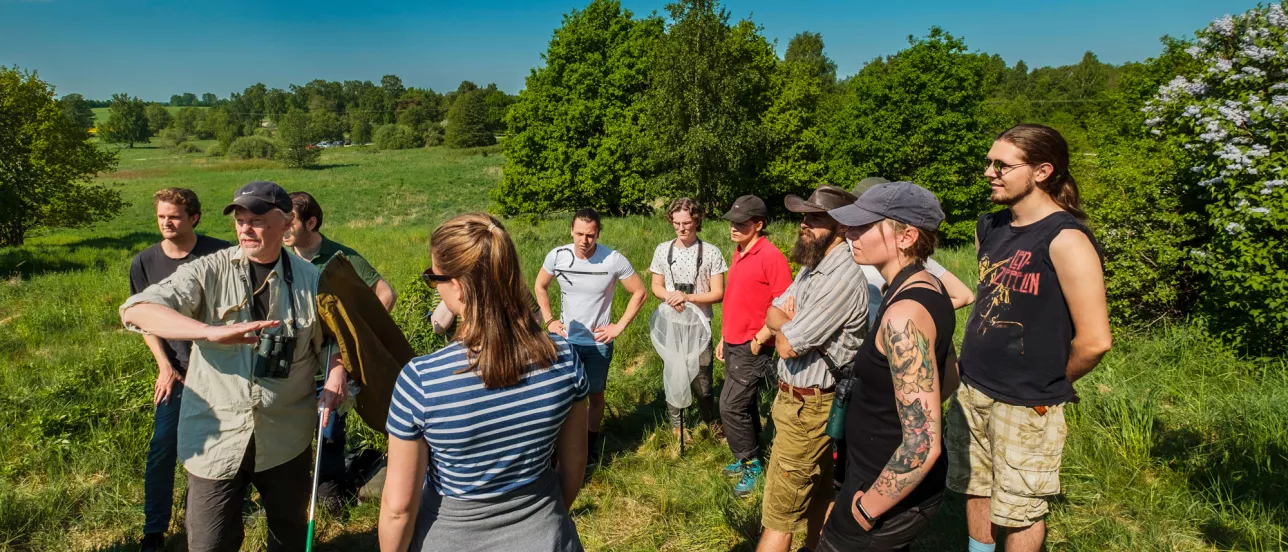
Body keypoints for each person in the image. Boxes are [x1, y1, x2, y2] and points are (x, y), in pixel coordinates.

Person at [120, 180, 346, 552]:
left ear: (287, 222)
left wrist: (336, 371)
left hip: (286, 436)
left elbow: (334, 340)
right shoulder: (209, 270)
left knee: (288, 536)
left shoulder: (313, 281)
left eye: (256, 219)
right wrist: (208, 332)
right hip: (217, 436)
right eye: (240, 219)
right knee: (209, 543)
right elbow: (137, 310)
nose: (245, 228)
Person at [947, 124, 1112, 552]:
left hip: (1027, 401)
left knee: (1020, 508)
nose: (989, 172)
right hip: (973, 388)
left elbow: (1094, 341)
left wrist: (1049, 384)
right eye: (988, 162)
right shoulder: (990, 226)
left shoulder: (1065, 239)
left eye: (1001, 164)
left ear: (1042, 171)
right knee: (976, 487)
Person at [379, 213, 588, 552]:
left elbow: (398, 509)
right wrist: (541, 521)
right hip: (547, 535)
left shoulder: (421, 381)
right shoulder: (565, 359)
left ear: (458, 286)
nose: (434, 284)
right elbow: (575, 463)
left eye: (434, 277)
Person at [817, 182, 959, 551]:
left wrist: (866, 509)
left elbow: (922, 444)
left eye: (864, 226)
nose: (850, 234)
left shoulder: (903, 315)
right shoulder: (927, 288)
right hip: (877, 472)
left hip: (883, 489)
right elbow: (951, 375)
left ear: (907, 236)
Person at [758, 186, 869, 552]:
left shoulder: (842, 276)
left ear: (840, 225)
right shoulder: (812, 268)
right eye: (803, 217)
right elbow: (773, 312)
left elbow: (788, 345)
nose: (804, 224)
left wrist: (785, 324)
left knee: (779, 516)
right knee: (820, 493)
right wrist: (785, 320)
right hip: (801, 404)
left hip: (811, 408)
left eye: (815, 218)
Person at [129, 188, 230, 552]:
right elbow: (145, 320)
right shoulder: (144, 262)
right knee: (162, 448)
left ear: (194, 218)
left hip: (219, 370)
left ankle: (199, 520)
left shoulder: (220, 253)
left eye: (174, 216)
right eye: (161, 217)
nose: (166, 223)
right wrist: (165, 368)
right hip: (178, 373)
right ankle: (153, 530)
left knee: (212, 450)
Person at [284, 190, 397, 512]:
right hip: (293, 360)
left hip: (330, 359)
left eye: (289, 221)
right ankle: (294, 494)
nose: (283, 228)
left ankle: (331, 494)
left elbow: (385, 292)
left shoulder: (337, 258)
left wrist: (359, 337)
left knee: (329, 427)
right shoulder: (281, 259)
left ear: (311, 222)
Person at [534, 208, 648, 468]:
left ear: (598, 233)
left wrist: (618, 326)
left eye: (591, 235)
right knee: (561, 395)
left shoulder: (613, 259)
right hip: (566, 341)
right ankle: (556, 448)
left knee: (595, 396)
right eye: (579, 234)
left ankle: (589, 445)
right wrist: (550, 319)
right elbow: (540, 286)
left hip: (598, 343)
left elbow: (639, 292)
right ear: (571, 231)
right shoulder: (557, 256)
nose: (584, 241)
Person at [714, 195, 792, 497]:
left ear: (759, 224)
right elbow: (737, 299)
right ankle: (748, 454)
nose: (733, 227)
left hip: (753, 345)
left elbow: (784, 305)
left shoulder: (771, 257)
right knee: (743, 403)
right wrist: (723, 336)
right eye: (732, 222)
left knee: (730, 405)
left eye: (741, 223)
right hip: (733, 340)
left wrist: (761, 338)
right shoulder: (739, 251)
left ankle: (750, 464)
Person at [648, 198, 727, 439]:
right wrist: (670, 296)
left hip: (700, 325)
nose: (681, 228)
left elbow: (718, 293)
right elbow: (656, 286)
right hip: (672, 324)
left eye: (686, 223)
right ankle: (678, 426)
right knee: (674, 373)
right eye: (676, 223)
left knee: (703, 380)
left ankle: (708, 418)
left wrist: (688, 298)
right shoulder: (663, 250)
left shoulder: (711, 252)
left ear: (697, 220)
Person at [851, 177, 974, 321]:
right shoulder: (910, 267)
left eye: (866, 223)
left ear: (906, 237)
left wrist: (916, 316)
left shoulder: (914, 265)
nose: (851, 231)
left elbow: (964, 296)